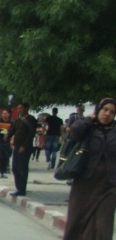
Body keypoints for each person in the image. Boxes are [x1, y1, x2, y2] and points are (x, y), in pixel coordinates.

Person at [63, 98, 116, 239]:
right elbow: (74, 131)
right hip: (84, 183)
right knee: (77, 222)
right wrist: (88, 119)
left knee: (103, 225)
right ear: (98, 110)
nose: (107, 114)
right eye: (105, 110)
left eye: (112, 112)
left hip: (108, 185)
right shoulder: (88, 128)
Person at [8, 102, 36, 197]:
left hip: (25, 148)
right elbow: (12, 130)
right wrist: (7, 137)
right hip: (16, 147)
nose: (19, 110)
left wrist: (24, 146)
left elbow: (31, 134)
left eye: (21, 108)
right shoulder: (18, 120)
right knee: (15, 168)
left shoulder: (31, 119)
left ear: (26, 108)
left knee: (22, 168)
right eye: (18, 108)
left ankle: (22, 189)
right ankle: (18, 187)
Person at [0, 109, 14, 178]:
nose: (4, 115)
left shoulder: (11, 122)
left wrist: (11, 142)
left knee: (5, 157)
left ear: (8, 114)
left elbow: (13, 133)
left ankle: (2, 172)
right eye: (3, 113)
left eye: (5, 113)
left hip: (7, 143)